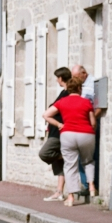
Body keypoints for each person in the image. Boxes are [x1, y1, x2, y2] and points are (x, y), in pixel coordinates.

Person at [43, 77, 96, 206]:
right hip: (86, 134)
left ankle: (71, 197)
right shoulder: (86, 102)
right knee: (88, 160)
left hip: (68, 134)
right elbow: (93, 122)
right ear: (79, 88)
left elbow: (46, 115)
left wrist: (59, 124)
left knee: (69, 165)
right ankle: (92, 187)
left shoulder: (62, 102)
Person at [39, 67, 71, 201]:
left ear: (61, 78)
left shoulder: (68, 93)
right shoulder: (63, 92)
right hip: (54, 130)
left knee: (45, 153)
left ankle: (62, 156)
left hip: (58, 132)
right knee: (58, 165)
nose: (57, 80)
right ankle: (59, 192)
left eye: (57, 78)